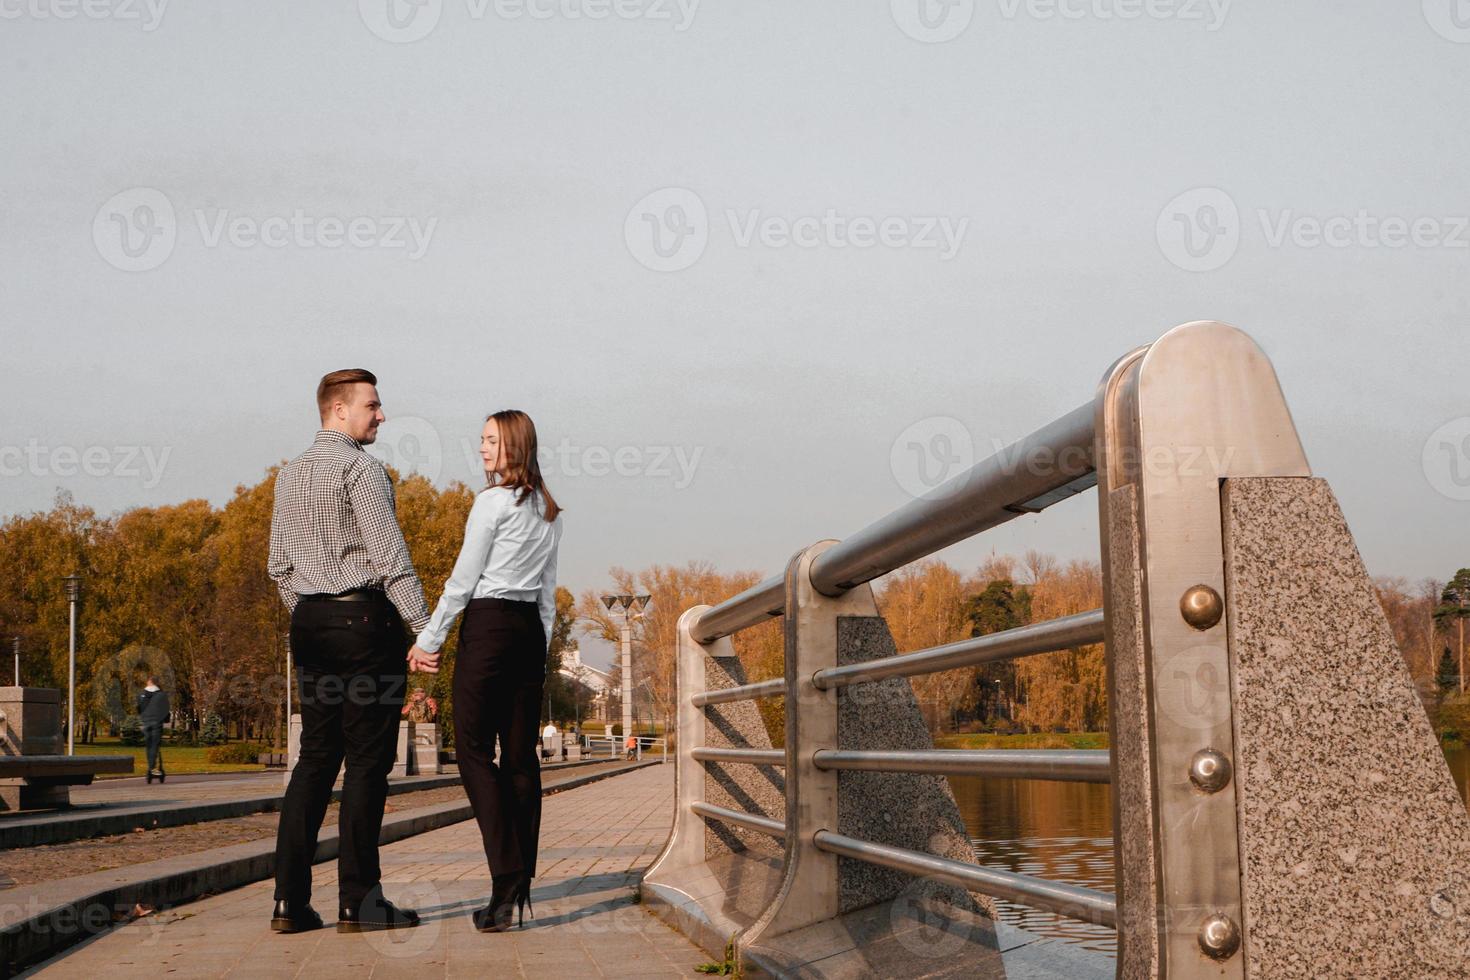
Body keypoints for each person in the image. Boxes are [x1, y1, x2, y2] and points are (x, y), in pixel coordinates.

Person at [266, 368, 437, 935]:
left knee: (314, 762)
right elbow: (390, 556)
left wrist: (310, 610)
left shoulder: (289, 475)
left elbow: (278, 566)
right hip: (365, 623)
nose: (382, 415)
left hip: (310, 622)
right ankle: (359, 902)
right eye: (373, 405)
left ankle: (289, 903)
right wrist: (422, 628)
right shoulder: (362, 469)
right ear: (339, 410)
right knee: (367, 763)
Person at [409, 409, 563, 933]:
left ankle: (506, 873)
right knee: (521, 759)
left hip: (489, 625)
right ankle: (518, 887)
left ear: (515, 446)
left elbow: (462, 581)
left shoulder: (491, 503)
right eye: (480, 440)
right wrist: (538, 656)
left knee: (473, 751)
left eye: (491, 441)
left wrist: (428, 639)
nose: (481, 449)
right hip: (527, 634)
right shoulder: (548, 509)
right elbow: (547, 597)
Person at [136, 676, 169, 784]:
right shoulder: (162, 695)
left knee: (148, 745)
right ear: (157, 683)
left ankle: (151, 767)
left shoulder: (141, 695)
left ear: (148, 682)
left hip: (146, 723)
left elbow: (139, 709)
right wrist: (166, 719)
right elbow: (166, 710)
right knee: (155, 745)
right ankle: (152, 768)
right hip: (157, 723)